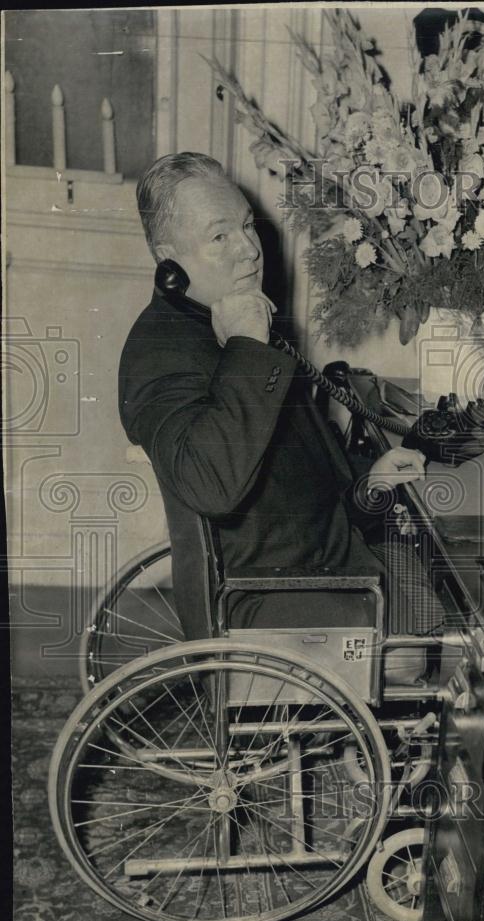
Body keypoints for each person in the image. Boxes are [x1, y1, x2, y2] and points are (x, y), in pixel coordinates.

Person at [119, 151, 436, 641]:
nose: (249, 249)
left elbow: (294, 476)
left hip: (326, 562)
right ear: (168, 261)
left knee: (450, 581)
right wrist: (247, 345)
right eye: (220, 237)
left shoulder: (226, 316)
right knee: (462, 630)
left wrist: (366, 480)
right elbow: (212, 485)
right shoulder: (161, 353)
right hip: (276, 599)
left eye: (247, 226)